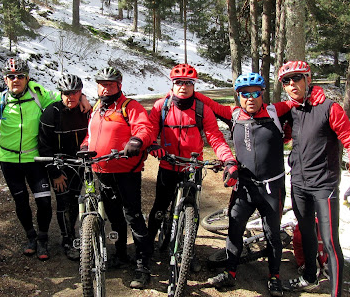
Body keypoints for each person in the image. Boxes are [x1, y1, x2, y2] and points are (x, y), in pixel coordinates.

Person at [197, 72, 295, 296]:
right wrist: (186, 89)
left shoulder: (275, 111)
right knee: (235, 227)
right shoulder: (233, 115)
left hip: (272, 187)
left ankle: (274, 276)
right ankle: (230, 273)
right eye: (244, 94)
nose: (250, 98)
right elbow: (208, 103)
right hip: (244, 186)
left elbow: (298, 101)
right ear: (238, 96)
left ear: (262, 94)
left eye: (255, 93)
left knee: (272, 233)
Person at [277, 60, 350, 297]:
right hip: (299, 183)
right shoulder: (292, 110)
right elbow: (285, 137)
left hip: (324, 185)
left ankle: (335, 292)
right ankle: (309, 276)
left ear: (308, 79)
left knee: (330, 240)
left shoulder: (329, 108)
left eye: (297, 78)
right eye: (287, 81)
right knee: (305, 233)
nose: (292, 84)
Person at [146, 64, 236, 265]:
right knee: (159, 208)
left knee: (192, 210)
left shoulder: (203, 109)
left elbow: (216, 138)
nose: (183, 87)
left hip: (192, 168)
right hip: (168, 166)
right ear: (173, 84)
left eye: (188, 83)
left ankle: (189, 250)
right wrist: (153, 144)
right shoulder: (162, 106)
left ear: (194, 85)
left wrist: (228, 159)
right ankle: (146, 250)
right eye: (179, 82)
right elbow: (151, 129)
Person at [80, 66, 155, 289]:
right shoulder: (96, 107)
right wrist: (85, 145)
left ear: (119, 86)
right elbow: (90, 133)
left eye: (110, 84)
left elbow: (145, 128)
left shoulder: (129, 106)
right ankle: (121, 253)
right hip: (102, 171)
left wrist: (137, 141)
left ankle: (143, 264)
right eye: (102, 84)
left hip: (126, 172)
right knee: (114, 216)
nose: (105, 88)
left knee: (132, 215)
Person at [0, 58, 63, 261]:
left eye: (20, 76)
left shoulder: (39, 95)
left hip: (35, 159)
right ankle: (31, 237)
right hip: (9, 160)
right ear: (5, 79)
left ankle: (43, 238)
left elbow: (63, 98)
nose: (16, 80)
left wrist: (81, 99)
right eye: (11, 76)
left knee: (44, 202)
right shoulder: (0, 100)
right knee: (21, 202)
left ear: (27, 78)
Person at [38, 73, 89, 261]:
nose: (71, 97)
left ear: (81, 93)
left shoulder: (85, 110)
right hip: (60, 165)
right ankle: (67, 240)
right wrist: (54, 173)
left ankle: (75, 232)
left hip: (80, 164)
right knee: (63, 202)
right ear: (60, 93)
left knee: (75, 200)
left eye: (75, 93)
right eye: (66, 93)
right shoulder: (51, 113)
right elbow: (44, 146)